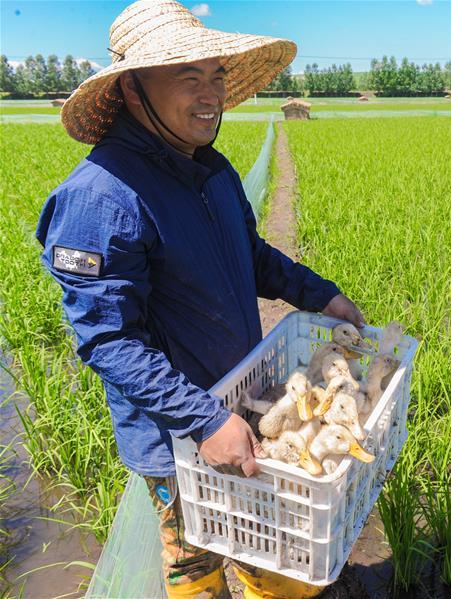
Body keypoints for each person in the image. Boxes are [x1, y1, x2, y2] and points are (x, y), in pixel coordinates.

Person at [34, 1, 362, 597]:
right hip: (179, 439)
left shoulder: (211, 169)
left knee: (275, 552)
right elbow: (108, 340)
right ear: (133, 90)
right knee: (196, 564)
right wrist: (204, 420)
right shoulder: (100, 199)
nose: (210, 94)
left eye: (215, 75)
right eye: (188, 76)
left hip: (241, 399)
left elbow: (252, 254)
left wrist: (322, 296)